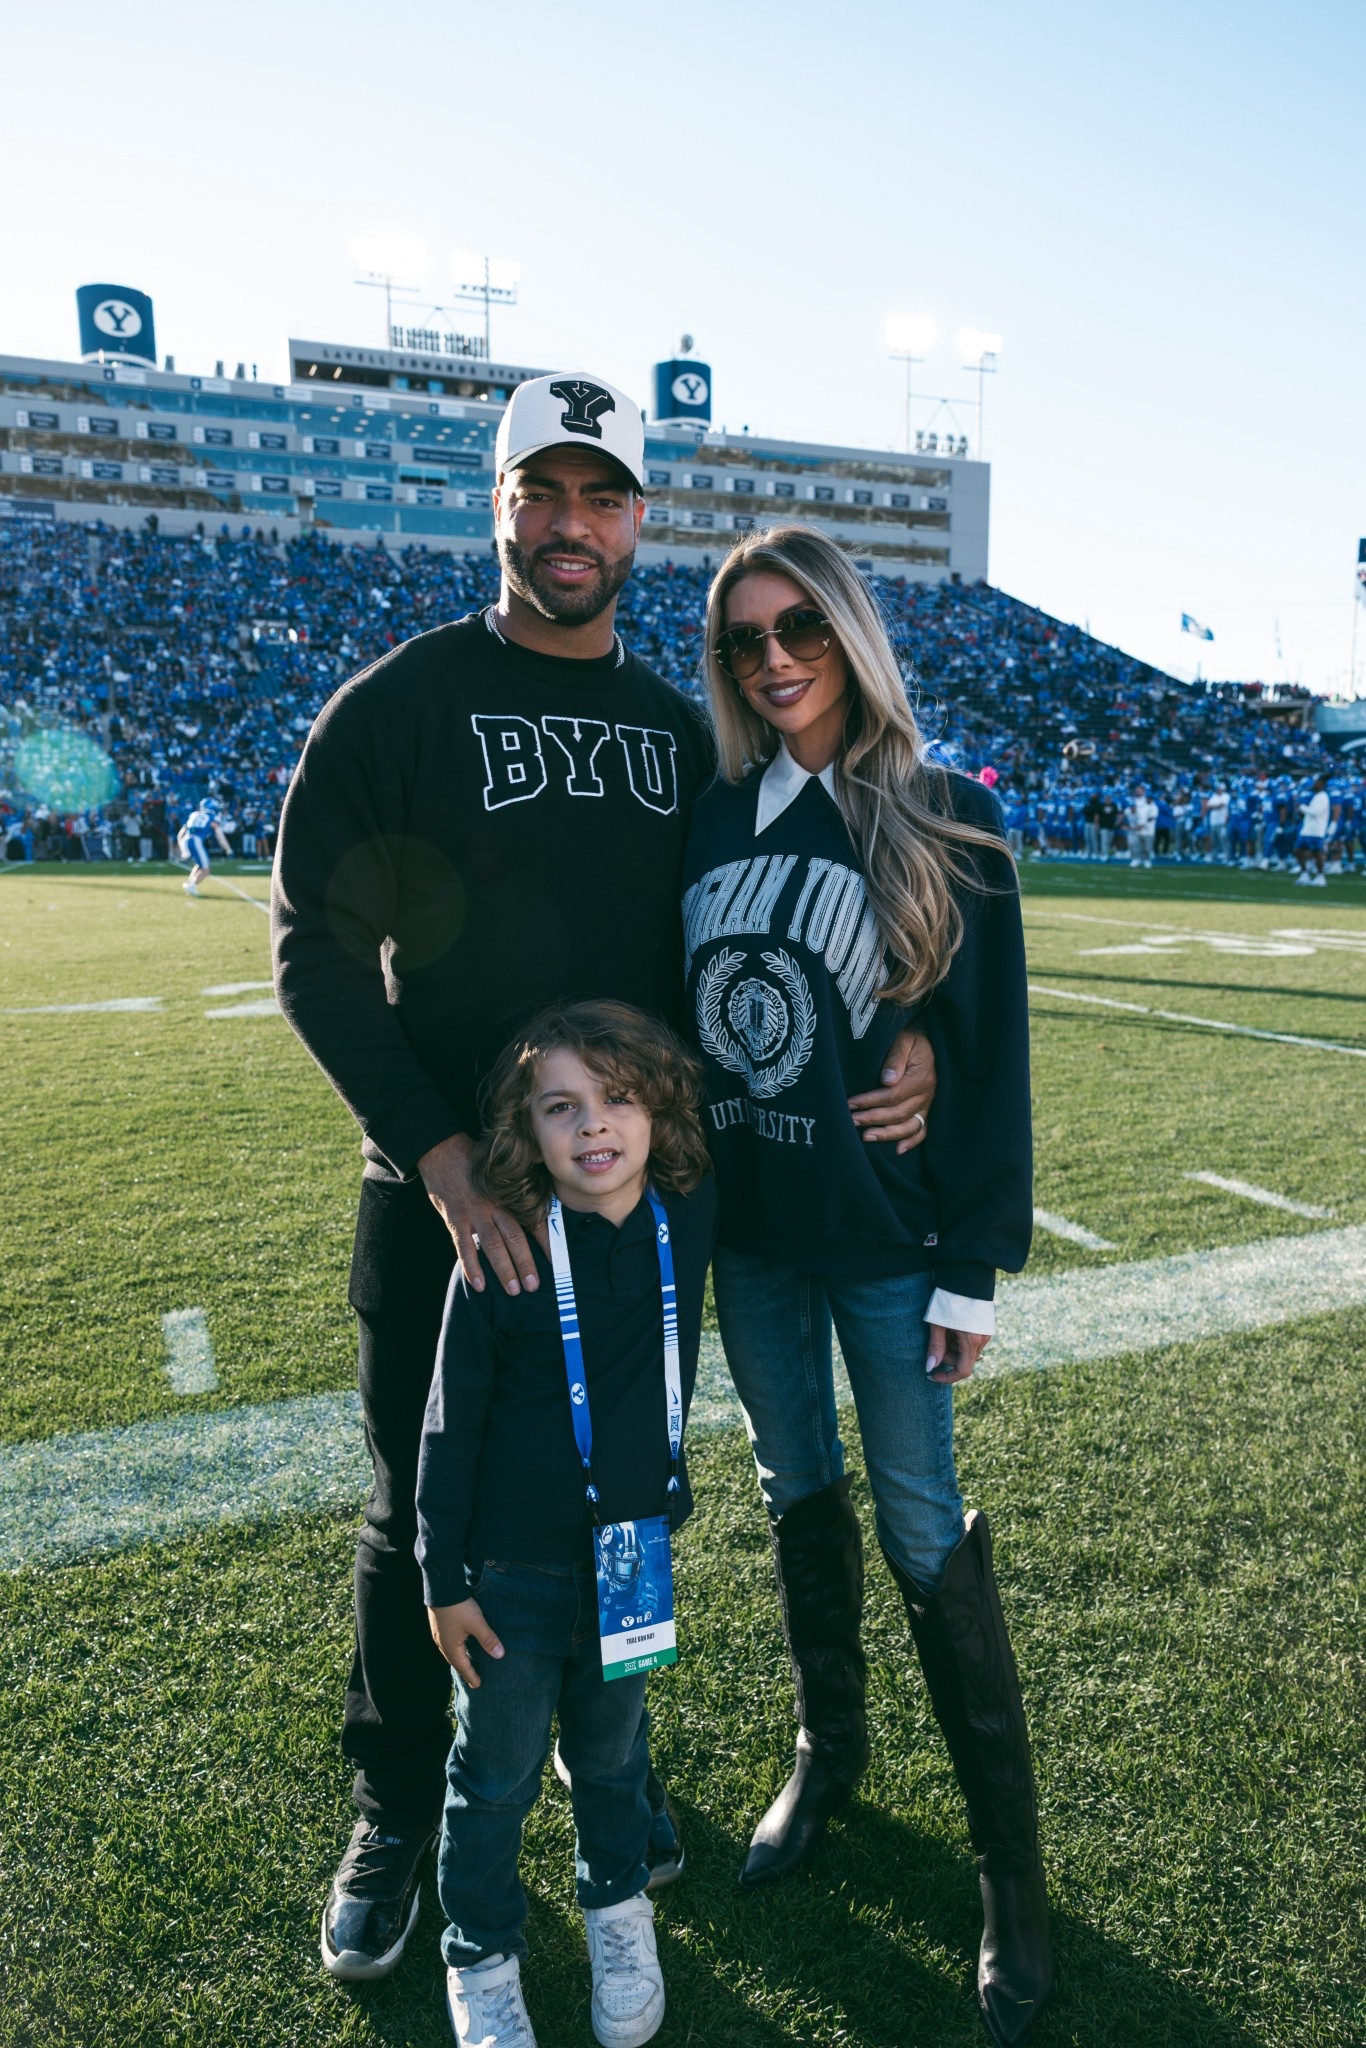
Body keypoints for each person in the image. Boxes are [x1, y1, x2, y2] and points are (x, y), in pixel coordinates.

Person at [271, 374, 936, 1983]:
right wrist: (443, 1165)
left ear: (639, 519)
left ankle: (595, 1758)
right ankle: (398, 1815)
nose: (572, 525)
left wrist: (914, 1038)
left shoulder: (677, 731)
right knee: (410, 1511)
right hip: (446, 1201)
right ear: (496, 505)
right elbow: (314, 956)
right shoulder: (401, 703)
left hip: (636, 1209)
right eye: (542, 494)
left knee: (622, 1483)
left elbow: (785, 917)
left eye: (604, 496)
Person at [683, 525, 1051, 2046]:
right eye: (745, 641)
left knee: (917, 1519)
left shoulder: (944, 813)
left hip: (893, 1252)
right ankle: (824, 1753)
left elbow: (988, 1051)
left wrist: (969, 1263)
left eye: (801, 632)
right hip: (752, 1241)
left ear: (850, 635)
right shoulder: (708, 822)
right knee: (791, 1488)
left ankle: (1007, 1875)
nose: (773, 660)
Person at [417, 1001, 715, 2048]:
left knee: (614, 1758)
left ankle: (616, 1912)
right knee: (492, 1777)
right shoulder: (502, 1251)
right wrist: (440, 1574)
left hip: (631, 1559)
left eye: (618, 1097)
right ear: (525, 1127)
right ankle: (482, 1954)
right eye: (562, 1106)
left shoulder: (689, 1214)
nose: (594, 1126)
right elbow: (447, 1427)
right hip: (509, 1577)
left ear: (658, 1107)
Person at [177, 793, 232, 894]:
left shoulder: (194, 815)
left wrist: (182, 847)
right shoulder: (212, 818)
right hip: (196, 840)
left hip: (186, 840)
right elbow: (220, 836)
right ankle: (192, 886)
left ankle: (189, 883)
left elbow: (181, 834)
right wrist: (228, 849)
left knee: (199, 865)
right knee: (206, 870)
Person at [1294, 774, 1331, 885]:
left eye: (1317, 782)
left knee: (1317, 853)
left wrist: (1301, 807)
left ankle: (1320, 876)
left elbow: (1315, 812)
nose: (1315, 784)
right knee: (1298, 851)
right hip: (1307, 829)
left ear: (1322, 784)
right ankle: (1304, 873)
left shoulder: (1323, 797)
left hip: (1317, 830)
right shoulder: (1315, 796)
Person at [1128, 783, 1156, 867]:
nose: (1137, 791)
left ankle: (1146, 860)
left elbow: (1151, 814)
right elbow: (1129, 811)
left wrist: (1143, 824)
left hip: (1146, 828)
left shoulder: (1148, 801)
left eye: (1139, 790)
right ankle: (1136, 859)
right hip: (1135, 827)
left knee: (1146, 846)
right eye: (1136, 790)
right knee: (1134, 845)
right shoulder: (1133, 800)